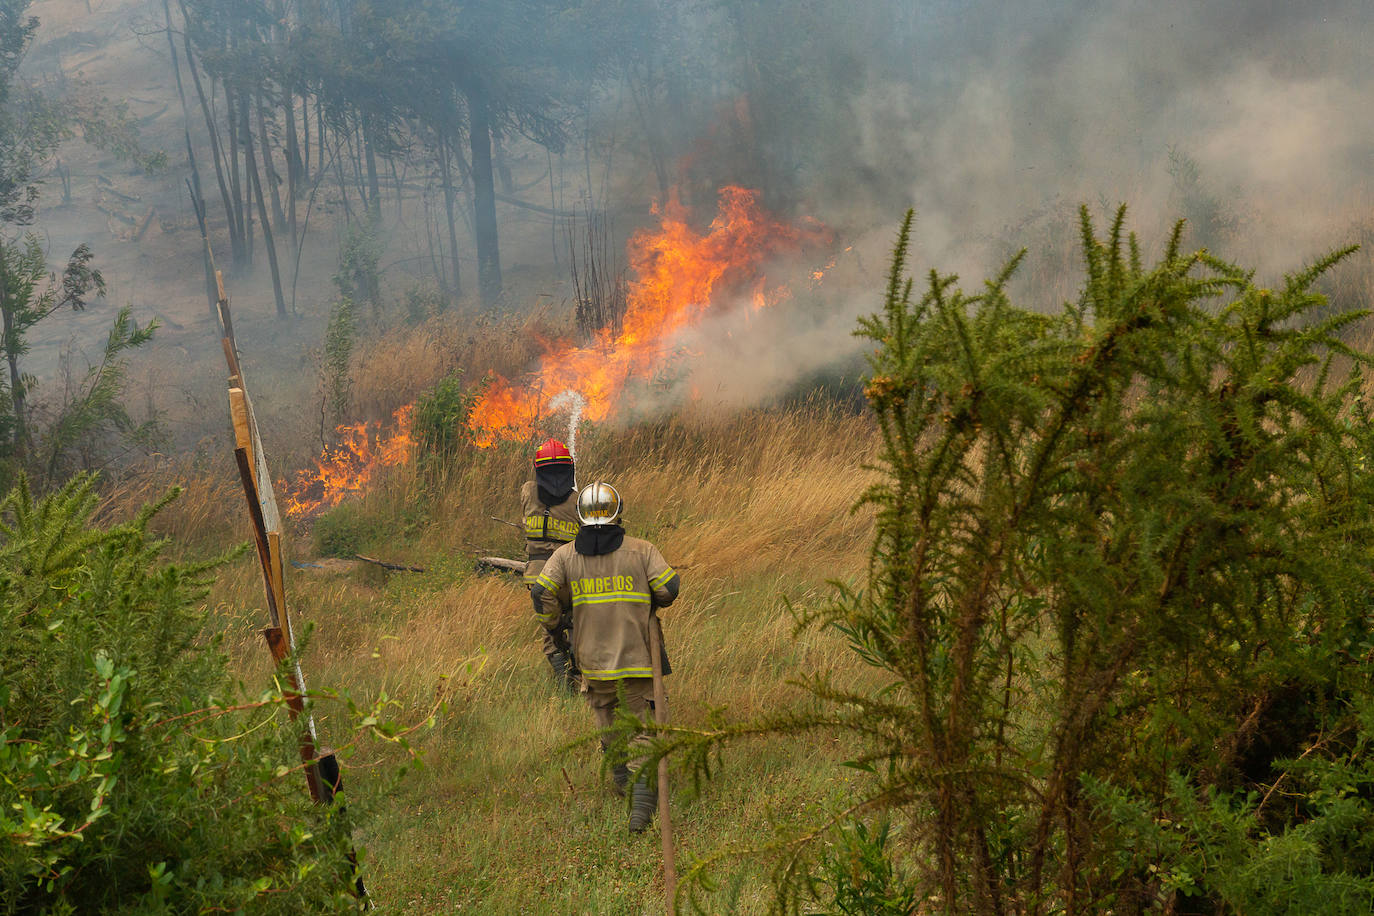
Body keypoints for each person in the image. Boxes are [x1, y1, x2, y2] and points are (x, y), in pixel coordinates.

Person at [531, 481, 681, 834]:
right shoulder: (642, 551)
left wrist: (555, 626)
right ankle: (641, 812)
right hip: (638, 659)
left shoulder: (565, 556)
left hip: (592, 664)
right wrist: (647, 599)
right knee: (645, 730)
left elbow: (540, 592)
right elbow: (669, 589)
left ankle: (621, 784)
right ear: (619, 511)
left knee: (609, 727)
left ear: (581, 517)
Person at [521, 438, 582, 694]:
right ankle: (581, 679)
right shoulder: (577, 501)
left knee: (550, 631)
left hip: (536, 577)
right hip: (568, 576)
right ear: (570, 468)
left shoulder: (527, 491)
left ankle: (565, 684)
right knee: (578, 623)